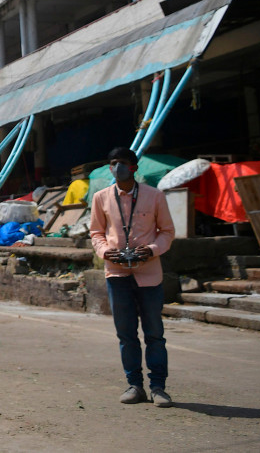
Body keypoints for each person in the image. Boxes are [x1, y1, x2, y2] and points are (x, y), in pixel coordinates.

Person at [90, 146, 176, 408]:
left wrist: (151, 250)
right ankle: (134, 386)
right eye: (114, 163)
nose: (119, 167)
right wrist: (106, 252)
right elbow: (96, 233)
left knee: (154, 334)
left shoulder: (155, 196)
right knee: (126, 334)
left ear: (134, 167)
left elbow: (167, 232)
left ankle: (158, 387)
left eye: (123, 163)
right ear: (109, 168)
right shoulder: (101, 198)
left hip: (149, 274)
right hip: (117, 274)